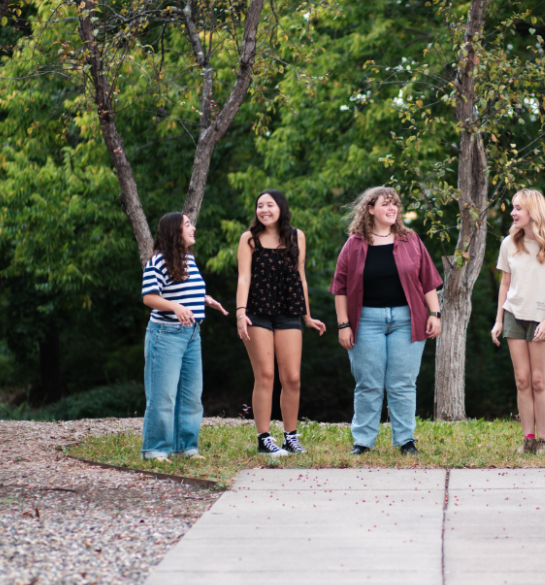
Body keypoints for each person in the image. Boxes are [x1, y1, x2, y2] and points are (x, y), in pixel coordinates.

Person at [331, 187, 442, 455]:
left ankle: (406, 441)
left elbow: (428, 280)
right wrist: (343, 325)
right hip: (365, 321)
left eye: (395, 204)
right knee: (368, 383)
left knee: (402, 383)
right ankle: (363, 442)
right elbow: (340, 288)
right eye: (385, 204)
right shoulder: (354, 244)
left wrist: (434, 314)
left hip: (407, 319)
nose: (392, 208)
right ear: (370, 209)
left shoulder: (410, 239)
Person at [236, 190, 326, 457]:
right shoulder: (249, 239)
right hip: (256, 312)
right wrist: (241, 313)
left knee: (293, 378)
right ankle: (264, 439)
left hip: (288, 310)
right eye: (259, 205)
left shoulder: (297, 236)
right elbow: (243, 278)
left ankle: (290, 437)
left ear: (281, 208)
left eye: (269, 205)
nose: (264, 210)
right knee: (265, 375)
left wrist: (307, 316)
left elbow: (301, 277)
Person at [491, 189, 545, 455]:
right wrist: (498, 321)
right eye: (513, 208)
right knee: (522, 380)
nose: (512, 213)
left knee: (540, 381)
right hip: (515, 316)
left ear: (533, 211)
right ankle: (527, 439)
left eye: (518, 208)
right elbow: (505, 283)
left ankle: (542, 440)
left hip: (544, 321)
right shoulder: (509, 243)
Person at [140, 212, 228, 462]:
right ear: (174, 232)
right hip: (165, 335)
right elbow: (149, 297)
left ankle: (186, 448)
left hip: (191, 335)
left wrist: (205, 300)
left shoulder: (188, 259)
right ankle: (155, 450)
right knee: (163, 396)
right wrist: (176, 307)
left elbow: (184, 291)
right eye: (188, 225)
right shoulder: (157, 262)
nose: (194, 228)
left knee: (190, 396)